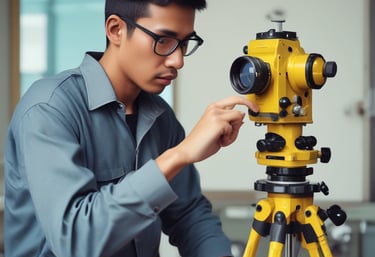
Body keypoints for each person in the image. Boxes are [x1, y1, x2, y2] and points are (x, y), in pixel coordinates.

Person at [4, 0, 258, 256]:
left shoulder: (161, 117)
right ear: (116, 30)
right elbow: (75, 241)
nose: (178, 60)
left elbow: (190, 216)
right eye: (163, 40)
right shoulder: (49, 108)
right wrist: (179, 155)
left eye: (184, 43)